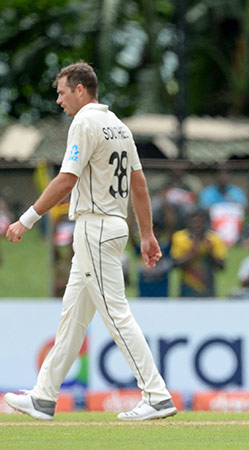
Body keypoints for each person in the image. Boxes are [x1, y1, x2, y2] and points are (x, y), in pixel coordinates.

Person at [3, 62, 177, 421]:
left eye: (62, 92)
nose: (59, 100)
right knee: (72, 320)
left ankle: (157, 396)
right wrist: (146, 234)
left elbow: (67, 179)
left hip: (95, 228)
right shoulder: (118, 125)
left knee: (116, 314)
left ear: (80, 89)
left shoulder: (84, 123)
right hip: (111, 226)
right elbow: (139, 183)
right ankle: (44, 397)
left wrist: (26, 219)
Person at [170, 209, 227, 298]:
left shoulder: (214, 239)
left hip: (208, 286)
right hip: (187, 286)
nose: (197, 226)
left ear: (205, 224)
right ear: (188, 223)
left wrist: (210, 253)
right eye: (194, 223)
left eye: (200, 223)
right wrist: (192, 253)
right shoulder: (180, 238)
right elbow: (175, 264)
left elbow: (222, 266)